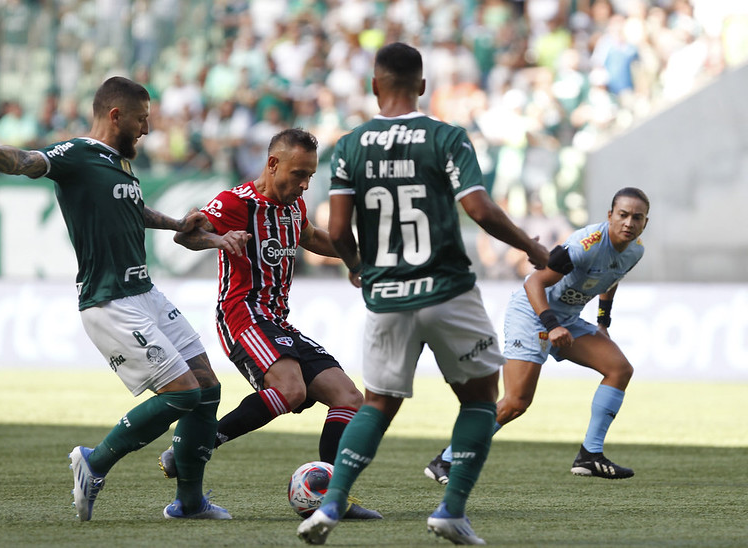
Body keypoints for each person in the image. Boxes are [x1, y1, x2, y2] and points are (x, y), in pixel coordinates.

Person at [0, 76, 251, 521]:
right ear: (116, 116)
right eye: (141, 119)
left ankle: (189, 503)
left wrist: (178, 226)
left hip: (144, 291)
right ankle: (94, 462)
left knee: (207, 386)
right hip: (109, 300)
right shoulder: (76, 154)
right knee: (185, 394)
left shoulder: (120, 165)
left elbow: (131, 210)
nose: (147, 130)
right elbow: (24, 161)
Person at [296, 42, 549, 546]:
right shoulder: (446, 137)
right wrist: (530, 246)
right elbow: (478, 208)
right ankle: (451, 510)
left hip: (387, 295)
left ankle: (329, 504)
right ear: (423, 86)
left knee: (377, 403)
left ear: (374, 86)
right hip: (448, 289)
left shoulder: (350, 146)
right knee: (480, 400)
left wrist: (358, 267)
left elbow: (338, 228)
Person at [163, 127, 381, 520]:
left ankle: (333, 498)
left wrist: (360, 258)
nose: (304, 183)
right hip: (242, 313)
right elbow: (187, 236)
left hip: (278, 321)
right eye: (299, 174)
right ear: (273, 163)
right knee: (291, 389)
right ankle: (199, 445)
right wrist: (216, 240)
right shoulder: (235, 202)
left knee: (349, 398)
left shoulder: (294, 206)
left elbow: (312, 237)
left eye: (310, 175)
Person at [425, 187, 649, 485]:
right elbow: (534, 282)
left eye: (637, 217)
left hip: (565, 319)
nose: (629, 223)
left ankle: (590, 455)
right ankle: (446, 459)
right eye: (622, 215)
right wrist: (551, 324)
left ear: (645, 222)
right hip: (532, 313)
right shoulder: (587, 244)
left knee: (619, 369)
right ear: (610, 215)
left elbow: (611, 277)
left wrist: (602, 322)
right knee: (516, 402)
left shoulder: (635, 249)